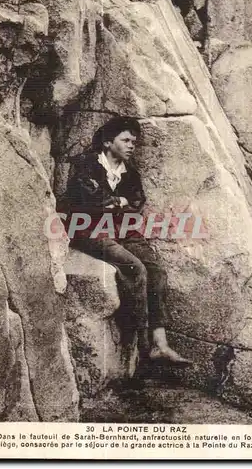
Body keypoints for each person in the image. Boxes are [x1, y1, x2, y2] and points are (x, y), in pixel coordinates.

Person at [63, 117, 192, 367]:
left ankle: (160, 343)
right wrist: (119, 202)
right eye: (126, 140)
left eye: (134, 141)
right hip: (88, 228)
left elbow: (136, 201)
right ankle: (144, 347)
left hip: (120, 228)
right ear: (108, 142)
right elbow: (92, 200)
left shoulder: (130, 173)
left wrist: (119, 202)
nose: (132, 145)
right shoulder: (86, 164)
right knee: (135, 268)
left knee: (157, 271)